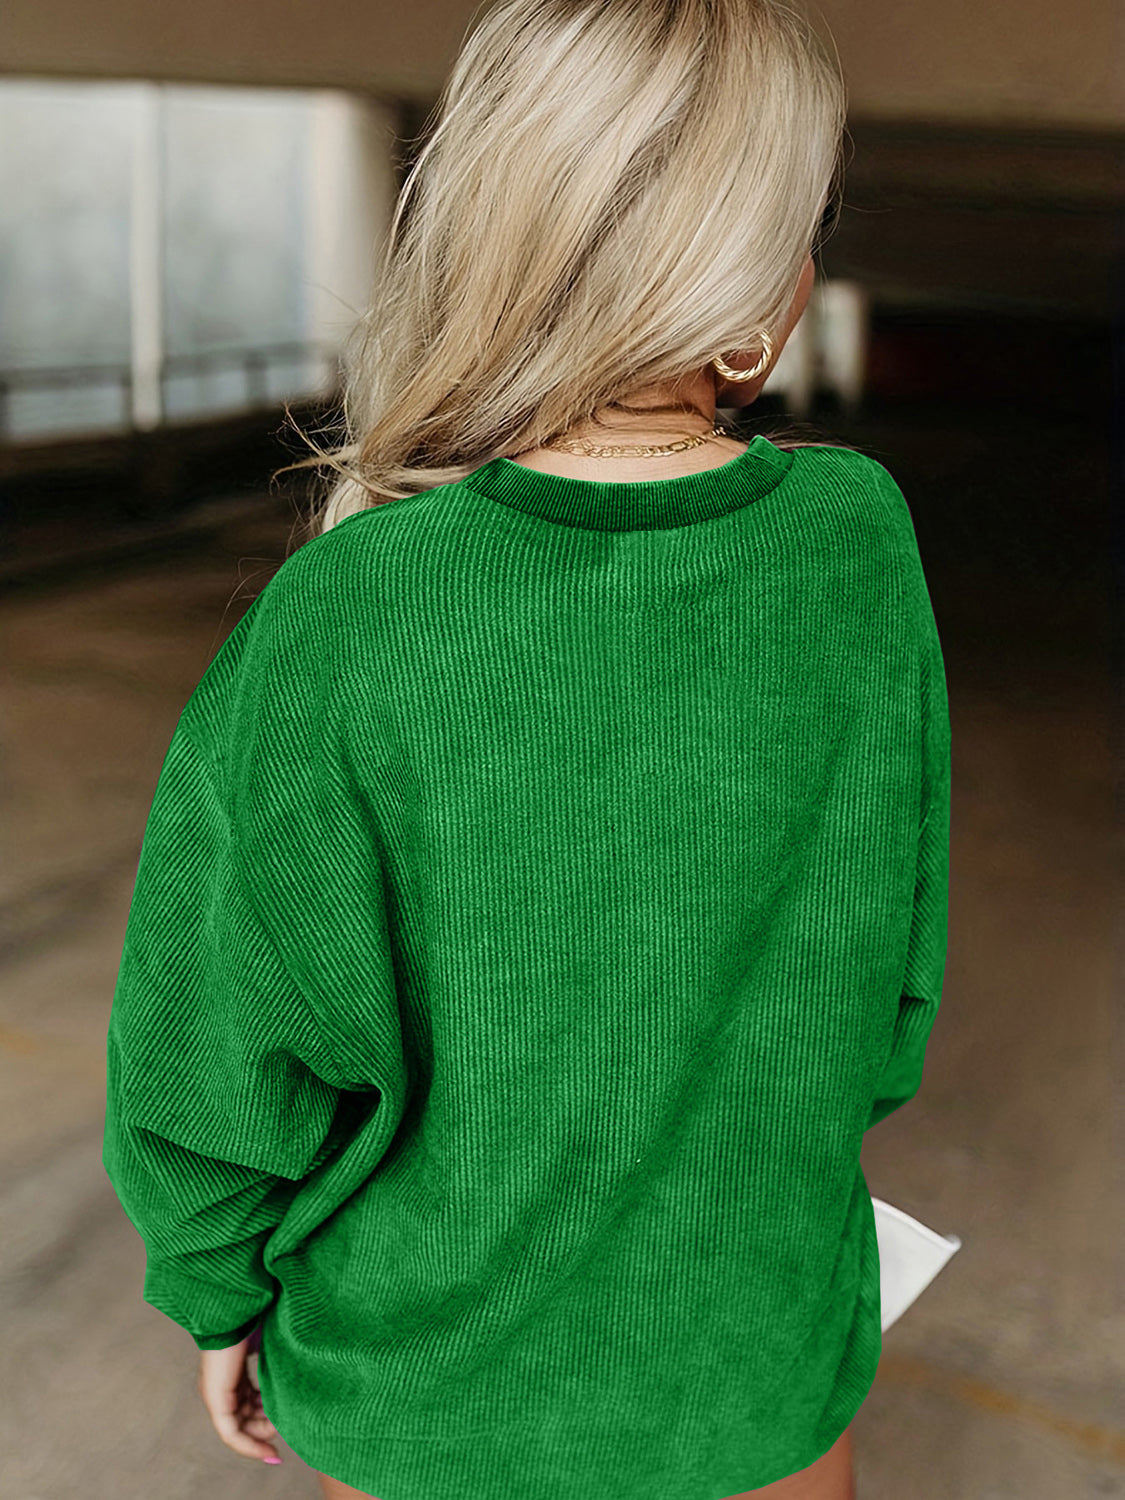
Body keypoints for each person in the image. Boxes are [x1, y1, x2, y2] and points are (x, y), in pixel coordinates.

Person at [102, 2, 952, 1498]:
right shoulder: (854, 543)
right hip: (749, 1363)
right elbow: (886, 988)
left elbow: (217, 1043)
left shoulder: (358, 598)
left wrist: (218, 1288)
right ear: (752, 279)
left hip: (423, 1390)